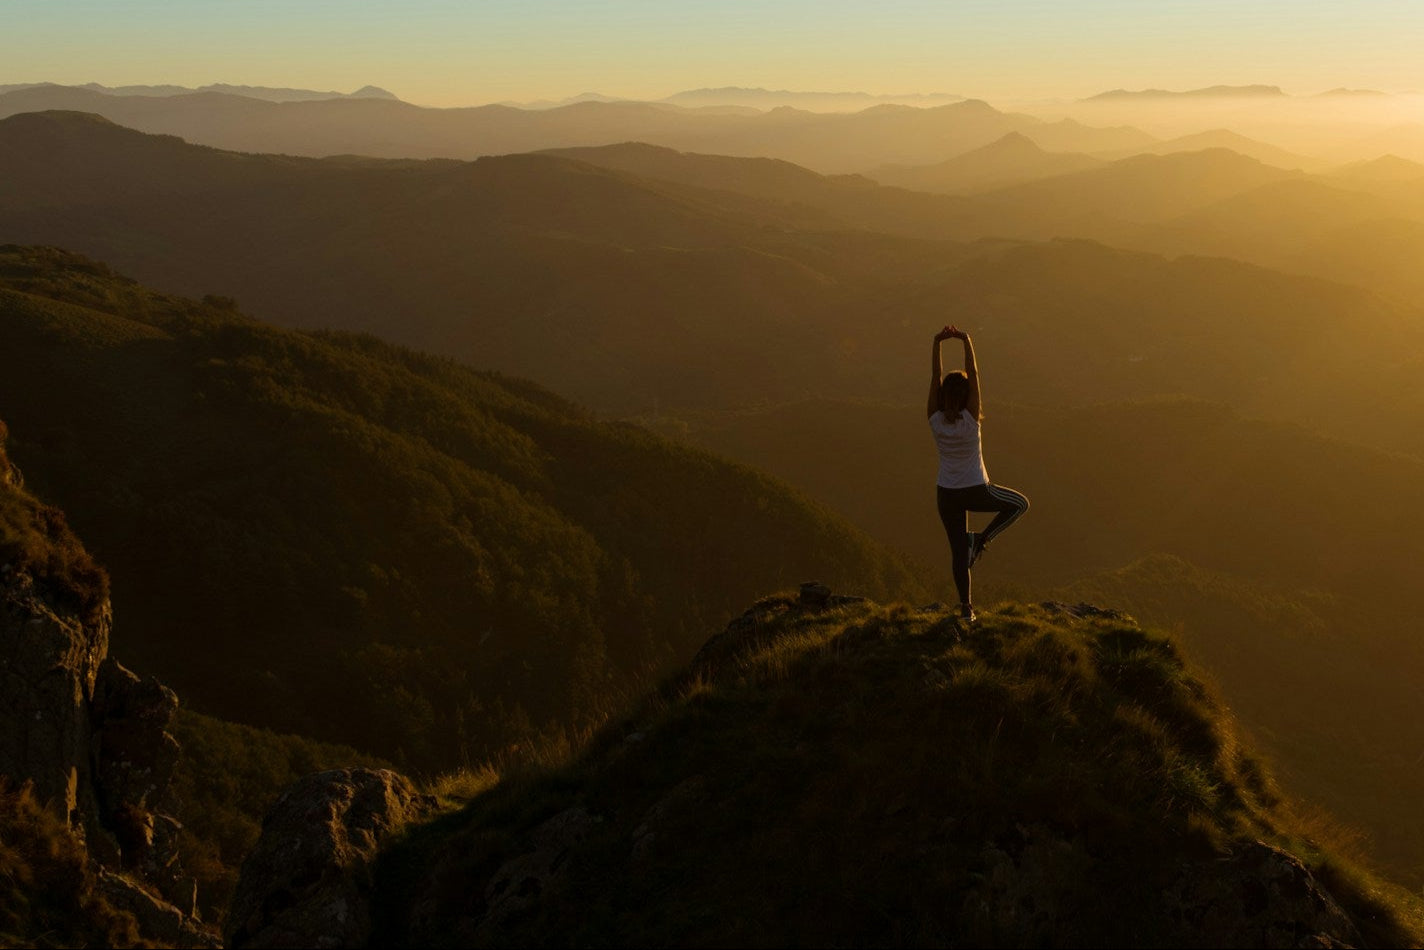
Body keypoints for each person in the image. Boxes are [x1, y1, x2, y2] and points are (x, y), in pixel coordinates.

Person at [928, 325, 1029, 622]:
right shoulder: (971, 420)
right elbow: (975, 374)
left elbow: (935, 376)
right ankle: (982, 540)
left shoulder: (934, 419)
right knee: (1020, 504)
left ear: (943, 393)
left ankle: (966, 609)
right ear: (967, 395)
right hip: (975, 489)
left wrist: (937, 342)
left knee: (959, 554)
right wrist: (966, 340)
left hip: (946, 494)